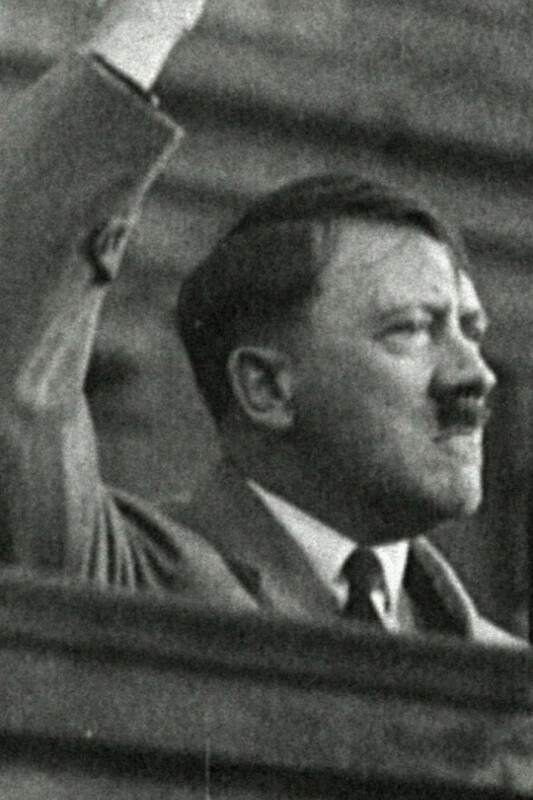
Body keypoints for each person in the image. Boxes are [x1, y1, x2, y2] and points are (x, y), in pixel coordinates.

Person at [0, 0, 523, 645]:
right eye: (412, 329)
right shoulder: (119, 583)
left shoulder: (503, 669)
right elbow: (16, 340)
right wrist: (150, 19)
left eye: (471, 330)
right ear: (266, 387)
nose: (476, 376)